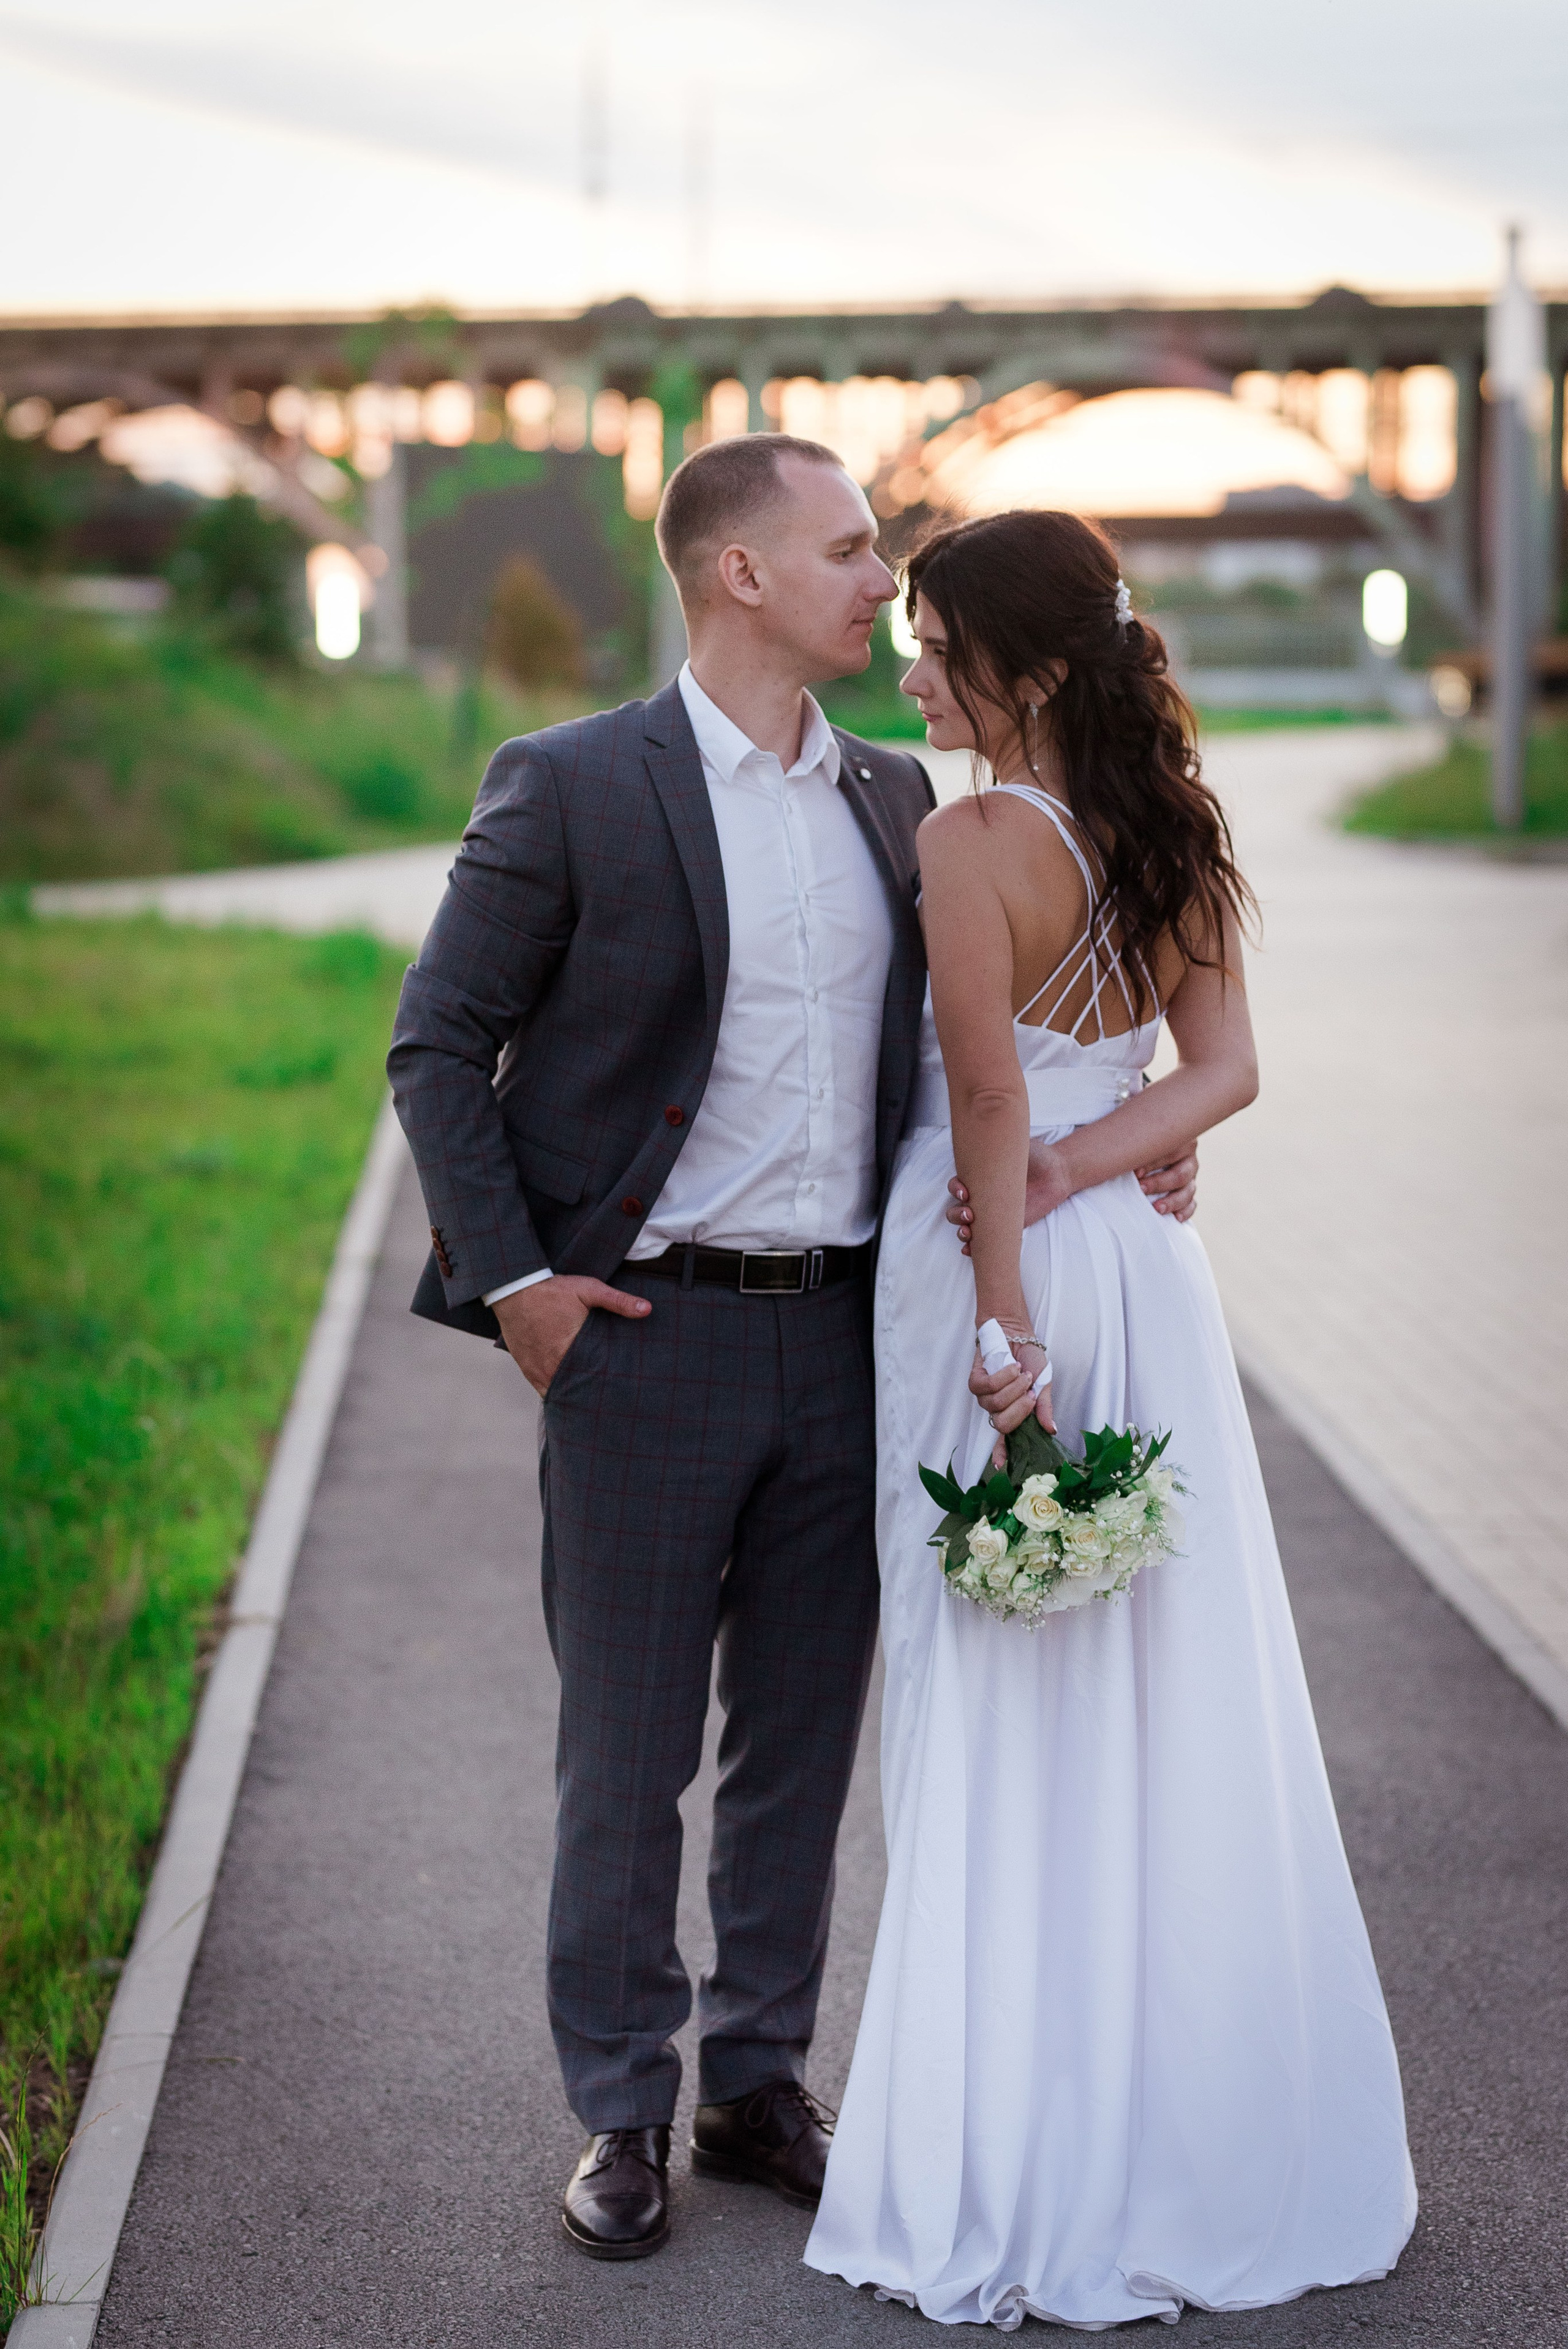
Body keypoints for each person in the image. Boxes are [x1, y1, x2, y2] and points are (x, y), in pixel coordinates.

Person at [387, 443, 1199, 2263]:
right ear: (739, 574)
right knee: (626, 1750)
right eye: (846, 550)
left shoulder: (903, 796)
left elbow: (997, 1053)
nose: (880, 581)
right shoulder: (574, 782)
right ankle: (621, 2104)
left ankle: (758, 2083)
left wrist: (1143, 1133)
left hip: (851, 1335)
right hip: (642, 1336)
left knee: (801, 1743)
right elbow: (437, 1042)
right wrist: (519, 1285)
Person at [804, 509, 1416, 2329]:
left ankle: (1015, 2141)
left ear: (1037, 668)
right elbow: (1224, 1071)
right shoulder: (1176, 828)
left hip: (993, 1272)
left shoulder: (971, 838)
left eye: (940, 647)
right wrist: (1103, 1162)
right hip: (1144, 1285)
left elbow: (986, 1096)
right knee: (1156, 1683)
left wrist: (1004, 1320)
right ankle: (1180, 2125)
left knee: (994, 1687)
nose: (914, 672)